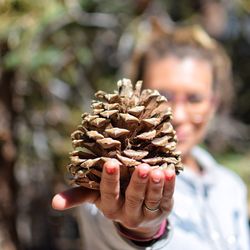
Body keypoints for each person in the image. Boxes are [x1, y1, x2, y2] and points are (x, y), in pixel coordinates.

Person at [52, 20, 250, 250]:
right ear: (135, 96)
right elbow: (107, 213)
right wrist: (141, 229)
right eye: (163, 96)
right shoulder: (108, 178)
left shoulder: (229, 186)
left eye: (195, 98)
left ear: (214, 103)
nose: (178, 114)